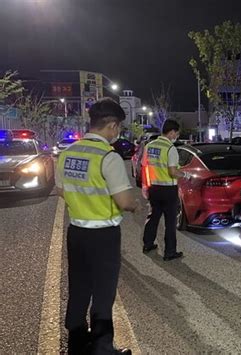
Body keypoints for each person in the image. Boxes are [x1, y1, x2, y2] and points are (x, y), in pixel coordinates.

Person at [56, 98, 139, 354]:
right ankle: (102, 348)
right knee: (103, 293)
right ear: (112, 126)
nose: (118, 133)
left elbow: (61, 191)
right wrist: (136, 205)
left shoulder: (67, 153)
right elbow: (124, 201)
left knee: (79, 287)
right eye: (119, 128)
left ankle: (77, 344)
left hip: (77, 232)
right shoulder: (108, 157)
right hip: (103, 235)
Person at [141, 119, 191, 261]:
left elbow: (145, 168)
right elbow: (173, 172)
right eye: (176, 133)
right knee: (170, 222)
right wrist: (185, 175)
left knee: (153, 216)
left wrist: (145, 186)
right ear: (171, 132)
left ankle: (148, 244)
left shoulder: (149, 146)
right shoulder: (170, 149)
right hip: (168, 190)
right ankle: (169, 252)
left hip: (154, 188)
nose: (176, 136)